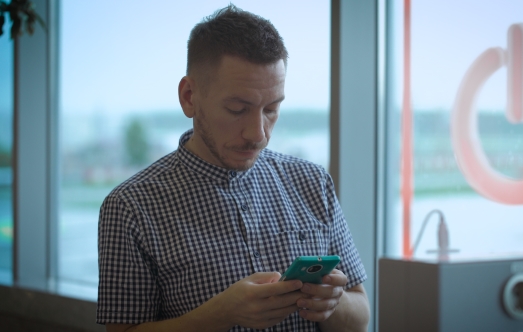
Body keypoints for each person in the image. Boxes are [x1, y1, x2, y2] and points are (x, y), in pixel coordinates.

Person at [97, 5, 369, 332]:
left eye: (271, 109)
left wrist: (330, 302)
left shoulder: (312, 182)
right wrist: (221, 315)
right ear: (189, 97)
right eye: (237, 109)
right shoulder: (130, 207)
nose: (258, 133)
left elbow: (361, 316)